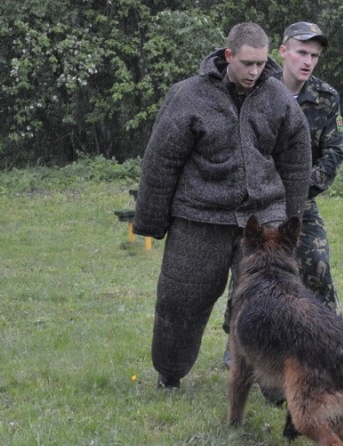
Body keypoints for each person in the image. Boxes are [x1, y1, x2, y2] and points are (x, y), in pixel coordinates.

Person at [133, 22, 312, 389]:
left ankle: (278, 386)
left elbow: (296, 158)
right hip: (200, 215)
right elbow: (161, 160)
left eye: (261, 64)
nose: (255, 71)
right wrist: (151, 221)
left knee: (273, 302)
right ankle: (170, 373)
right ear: (229, 55)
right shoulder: (188, 96)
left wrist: (290, 223)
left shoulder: (278, 98)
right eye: (247, 63)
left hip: (263, 216)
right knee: (180, 300)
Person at [222, 21, 343, 372]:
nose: (307, 61)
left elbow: (334, 153)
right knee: (248, 269)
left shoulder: (325, 97)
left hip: (300, 203)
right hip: (258, 203)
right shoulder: (257, 89)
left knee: (317, 262)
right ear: (283, 52)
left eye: (315, 56)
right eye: (302, 53)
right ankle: (238, 343)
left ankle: (329, 337)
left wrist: (300, 191)